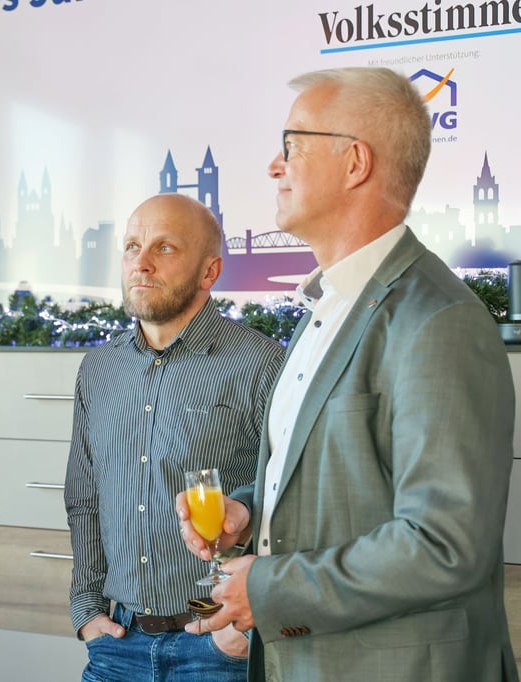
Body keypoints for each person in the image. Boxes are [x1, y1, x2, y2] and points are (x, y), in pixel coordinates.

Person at [177, 67, 519, 682]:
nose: (274, 167)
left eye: (291, 148)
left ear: (355, 163)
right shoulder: (326, 311)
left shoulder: (438, 321)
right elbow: (348, 492)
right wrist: (250, 518)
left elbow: (443, 546)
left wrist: (271, 588)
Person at [64, 192, 286, 681]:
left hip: (215, 642)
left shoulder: (262, 362)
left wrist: (239, 635)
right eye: (131, 247)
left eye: (164, 248)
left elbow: (291, 501)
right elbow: (85, 497)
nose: (140, 263)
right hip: (114, 645)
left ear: (209, 272)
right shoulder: (98, 369)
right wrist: (87, 610)